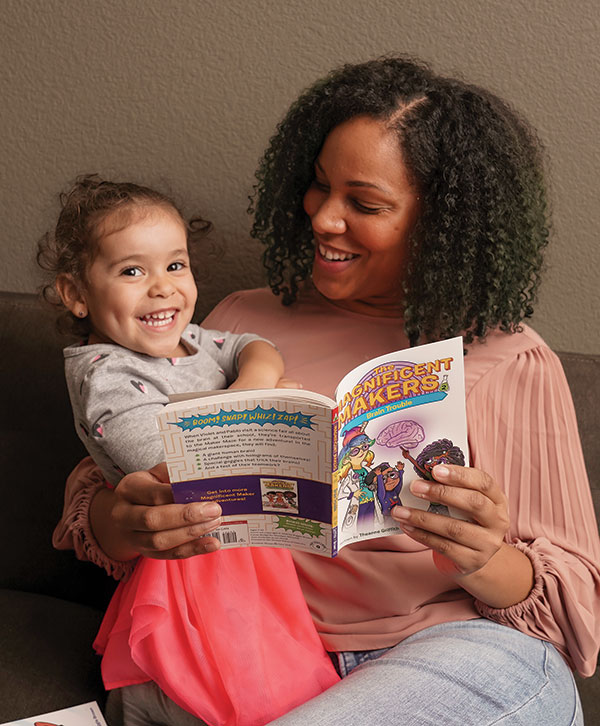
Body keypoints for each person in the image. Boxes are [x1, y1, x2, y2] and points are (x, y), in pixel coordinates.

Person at [53, 57, 600, 725]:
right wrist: (128, 526)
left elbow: (575, 610)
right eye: (318, 188)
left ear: (441, 226)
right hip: (257, 650)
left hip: (451, 651)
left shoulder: (510, 357)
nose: (322, 218)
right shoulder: (232, 323)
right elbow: (110, 470)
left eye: (363, 204)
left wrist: (486, 557)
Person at [39, 176, 339, 725]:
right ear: (76, 294)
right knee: (182, 687)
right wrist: (262, 414)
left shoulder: (198, 340)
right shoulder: (106, 373)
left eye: (175, 265)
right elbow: (162, 458)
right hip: (184, 566)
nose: (161, 288)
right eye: (132, 270)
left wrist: (254, 385)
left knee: (267, 679)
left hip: (248, 563)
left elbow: (256, 346)